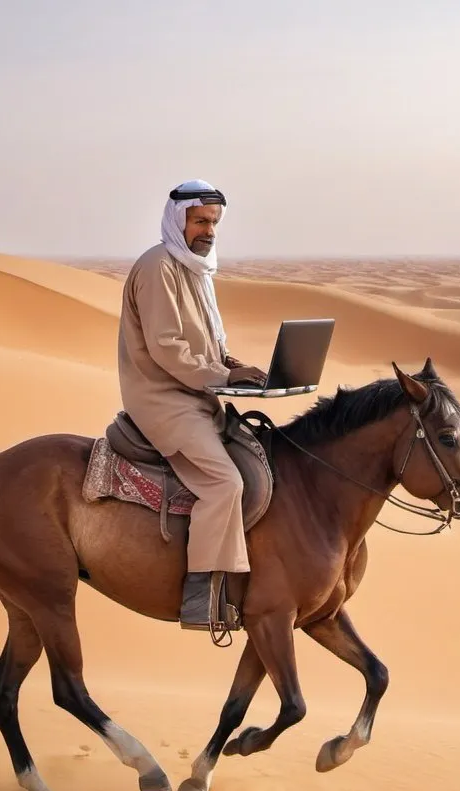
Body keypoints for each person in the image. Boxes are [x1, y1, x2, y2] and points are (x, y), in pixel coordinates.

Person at [117, 179, 267, 629]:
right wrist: (223, 377)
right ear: (177, 218)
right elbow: (168, 349)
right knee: (224, 483)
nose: (209, 231)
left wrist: (239, 369)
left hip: (197, 394)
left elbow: (204, 344)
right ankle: (199, 595)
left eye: (214, 222)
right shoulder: (159, 266)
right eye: (200, 220)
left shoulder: (194, 269)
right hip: (163, 398)